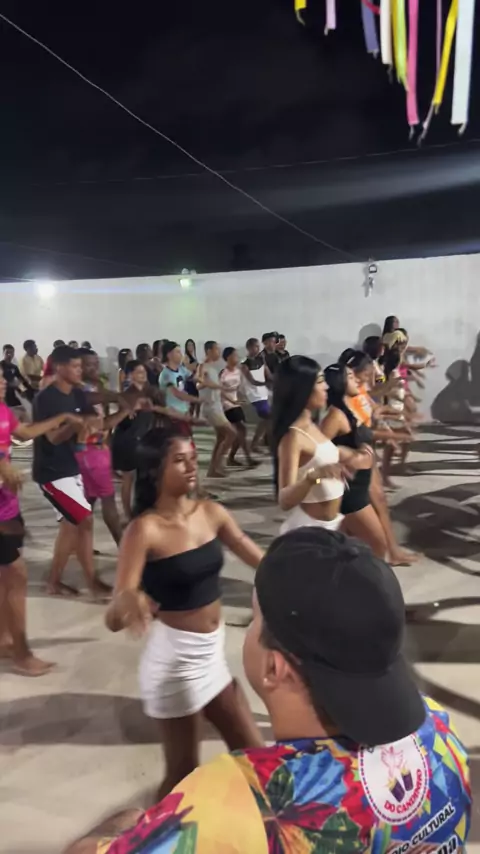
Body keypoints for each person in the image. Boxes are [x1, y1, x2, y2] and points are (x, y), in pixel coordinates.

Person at [69, 528, 471, 854]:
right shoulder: (438, 732)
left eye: (255, 619)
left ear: (274, 668)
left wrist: (126, 824)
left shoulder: (242, 803)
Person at [105, 423, 264, 797]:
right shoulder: (144, 530)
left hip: (211, 655)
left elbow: (258, 557)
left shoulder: (210, 512)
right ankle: (161, 830)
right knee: (183, 773)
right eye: (180, 460)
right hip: (175, 664)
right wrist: (128, 600)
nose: (192, 466)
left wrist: (303, 568)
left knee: (255, 756)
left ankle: (268, 821)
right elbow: (114, 616)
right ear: (154, 470)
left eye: (193, 457)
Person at [0, 365, 83, 675]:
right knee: (16, 575)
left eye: (2, 377)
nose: (3, 381)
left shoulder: (3, 411)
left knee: (6, 576)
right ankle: (22, 654)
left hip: (7, 505)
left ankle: (4, 640)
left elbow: (23, 433)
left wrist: (60, 418)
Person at [32, 345, 108, 598]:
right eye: (75, 366)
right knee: (84, 520)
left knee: (73, 525)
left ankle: (58, 582)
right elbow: (52, 437)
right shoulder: (46, 398)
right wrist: (73, 423)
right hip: (52, 472)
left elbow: (93, 414)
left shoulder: (76, 394)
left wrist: (120, 405)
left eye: (80, 366)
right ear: (59, 367)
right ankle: (88, 581)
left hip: (70, 467)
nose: (80, 370)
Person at [273, 355, 372, 535]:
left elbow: (317, 458)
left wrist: (347, 456)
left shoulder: (312, 427)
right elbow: (285, 500)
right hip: (310, 530)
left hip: (332, 525)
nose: (326, 386)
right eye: (320, 381)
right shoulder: (293, 437)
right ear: (302, 389)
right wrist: (314, 477)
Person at [322, 361, 386, 558]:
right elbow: (316, 452)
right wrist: (341, 461)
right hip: (351, 493)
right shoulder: (335, 415)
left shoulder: (348, 409)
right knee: (378, 545)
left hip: (359, 487)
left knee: (345, 550)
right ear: (339, 383)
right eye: (350, 377)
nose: (357, 380)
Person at [76, 349, 133, 546]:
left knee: (88, 501)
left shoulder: (95, 386)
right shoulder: (78, 391)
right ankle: (124, 548)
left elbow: (105, 421)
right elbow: (102, 421)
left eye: (95, 364)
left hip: (97, 449)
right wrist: (121, 403)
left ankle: (77, 544)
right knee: (108, 501)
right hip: (89, 451)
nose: (94, 368)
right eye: (89, 364)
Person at [198, 341, 236, 478]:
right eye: (216, 350)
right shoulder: (202, 366)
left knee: (221, 438)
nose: (219, 353)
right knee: (232, 434)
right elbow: (199, 383)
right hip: (211, 407)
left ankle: (212, 469)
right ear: (209, 351)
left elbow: (219, 390)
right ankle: (217, 465)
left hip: (217, 406)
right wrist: (211, 384)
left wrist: (233, 400)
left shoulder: (213, 369)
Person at [220, 347, 256, 468]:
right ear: (228, 357)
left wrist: (245, 398)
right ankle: (248, 458)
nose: (237, 358)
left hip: (236, 403)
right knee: (241, 429)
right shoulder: (223, 373)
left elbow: (241, 387)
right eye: (235, 355)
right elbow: (219, 390)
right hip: (226, 404)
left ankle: (231, 458)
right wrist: (231, 400)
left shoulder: (238, 371)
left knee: (241, 432)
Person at [241, 337, 272, 454]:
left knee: (267, 419)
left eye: (259, 346)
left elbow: (268, 374)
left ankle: (256, 443)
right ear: (249, 348)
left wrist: (276, 380)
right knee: (268, 417)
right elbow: (252, 381)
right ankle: (259, 443)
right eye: (256, 346)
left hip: (263, 394)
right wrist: (266, 383)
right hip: (254, 396)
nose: (258, 348)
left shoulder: (261, 359)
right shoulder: (244, 364)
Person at [158, 342, 199, 424]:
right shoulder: (166, 374)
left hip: (184, 409)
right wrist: (198, 400)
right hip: (173, 413)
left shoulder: (181, 369)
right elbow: (176, 393)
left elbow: (195, 378)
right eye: (178, 352)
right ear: (169, 355)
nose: (181, 355)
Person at [0, 345, 32, 410]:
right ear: (3, 353)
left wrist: (23, 389)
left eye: (11, 352)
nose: (9, 355)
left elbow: (20, 379)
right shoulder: (1, 365)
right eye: (7, 352)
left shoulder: (14, 367)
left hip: (12, 394)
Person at [183, 338, 200, 416]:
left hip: (195, 382)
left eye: (192, 345)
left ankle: (196, 418)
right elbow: (187, 368)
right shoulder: (186, 357)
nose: (190, 347)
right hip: (190, 382)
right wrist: (195, 366)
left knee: (197, 402)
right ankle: (191, 418)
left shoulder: (194, 357)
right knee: (192, 403)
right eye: (189, 345)